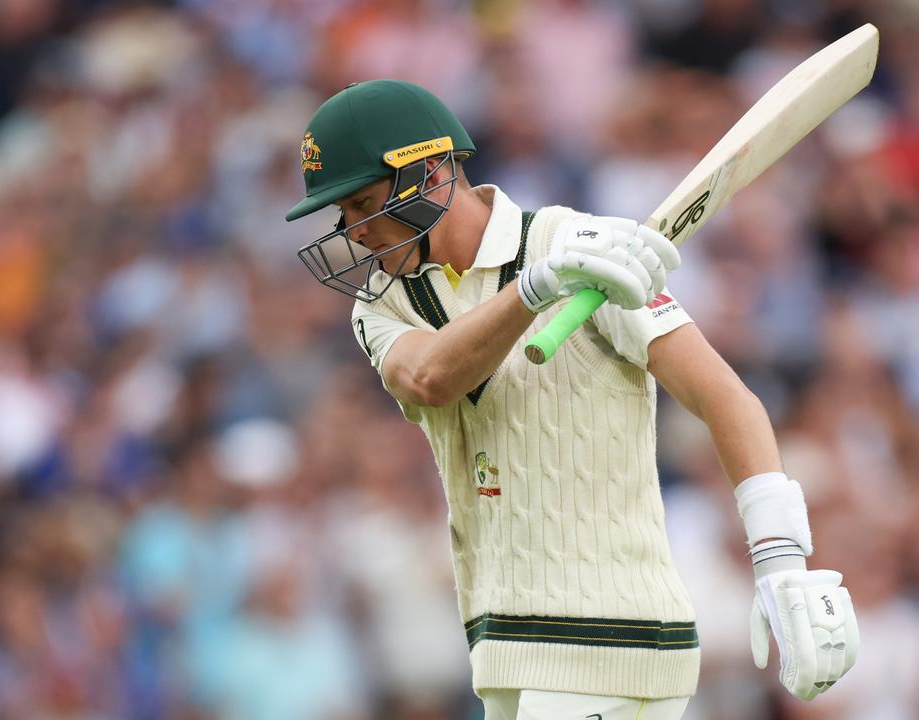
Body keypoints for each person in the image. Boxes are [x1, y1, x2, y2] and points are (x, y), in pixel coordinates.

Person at [285, 79, 859, 719]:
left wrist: (779, 558)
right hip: (502, 644)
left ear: (429, 175)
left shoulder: (575, 243)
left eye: (363, 204)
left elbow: (723, 396)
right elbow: (430, 378)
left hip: (612, 635)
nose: (353, 232)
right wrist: (535, 289)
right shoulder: (382, 305)